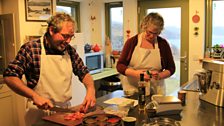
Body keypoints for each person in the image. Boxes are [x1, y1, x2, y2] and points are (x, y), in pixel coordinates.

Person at [3, 12, 96, 125]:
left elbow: (83, 72)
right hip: (38, 113)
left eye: (71, 37)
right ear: (51, 30)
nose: (68, 41)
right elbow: (9, 76)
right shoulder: (31, 49)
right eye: (65, 36)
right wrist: (34, 96)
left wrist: (90, 89)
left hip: (64, 112)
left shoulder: (69, 51)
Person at [116, 12, 175, 95]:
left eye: (156, 33)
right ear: (144, 27)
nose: (152, 36)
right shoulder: (132, 42)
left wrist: (160, 75)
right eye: (149, 32)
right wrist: (138, 74)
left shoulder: (163, 44)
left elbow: (171, 68)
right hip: (133, 89)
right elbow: (120, 66)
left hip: (156, 89)